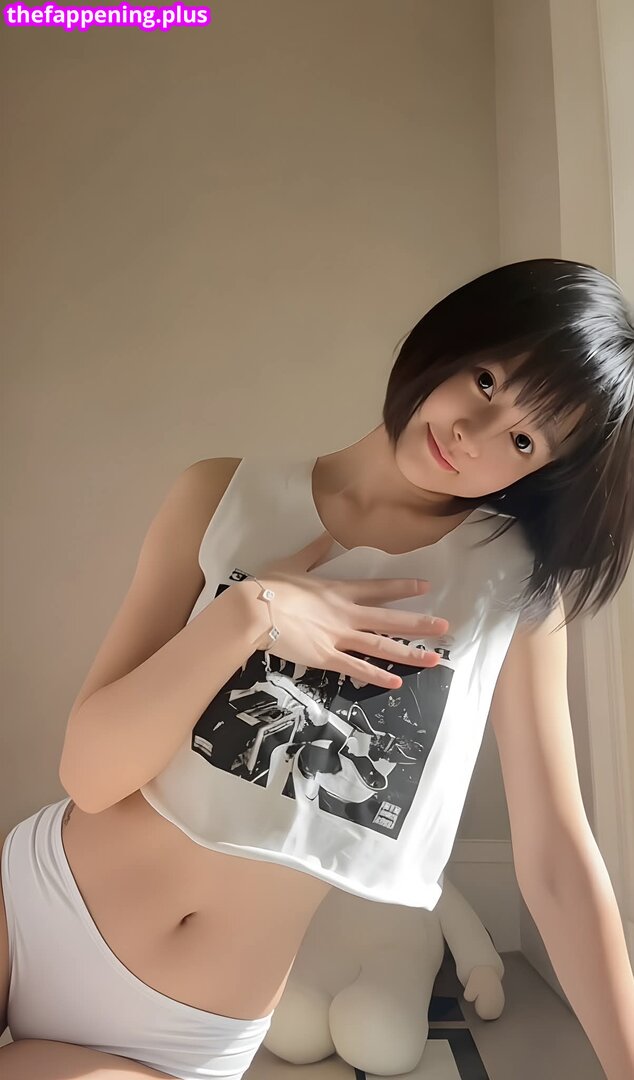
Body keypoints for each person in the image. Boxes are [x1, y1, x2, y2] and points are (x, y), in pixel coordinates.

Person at [2, 258, 634, 1080]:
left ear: (539, 471)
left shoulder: (514, 591)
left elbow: (555, 862)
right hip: (34, 902)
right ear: (451, 341)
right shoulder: (221, 494)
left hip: (183, 1036)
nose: (472, 436)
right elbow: (88, 774)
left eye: (522, 439)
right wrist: (251, 611)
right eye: (486, 381)